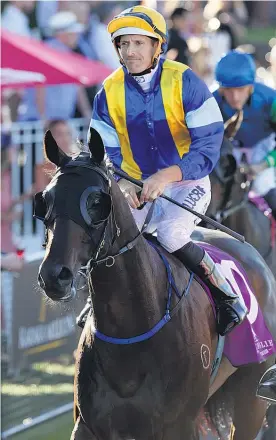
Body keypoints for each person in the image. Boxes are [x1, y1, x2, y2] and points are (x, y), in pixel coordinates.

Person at [89, 5, 247, 336]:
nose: (130, 51)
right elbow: (103, 149)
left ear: (157, 45)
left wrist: (166, 176)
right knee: (110, 240)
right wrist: (122, 181)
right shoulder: (108, 91)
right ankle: (97, 304)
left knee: (171, 234)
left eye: (138, 43)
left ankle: (226, 295)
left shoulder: (186, 81)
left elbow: (207, 147)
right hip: (134, 186)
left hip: (186, 182)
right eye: (123, 44)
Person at [214, 50, 276, 220]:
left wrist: (265, 164)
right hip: (228, 152)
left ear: (251, 86)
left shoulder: (271, 100)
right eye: (228, 90)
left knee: (263, 185)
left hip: (264, 151)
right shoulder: (211, 102)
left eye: (240, 89)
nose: (234, 97)